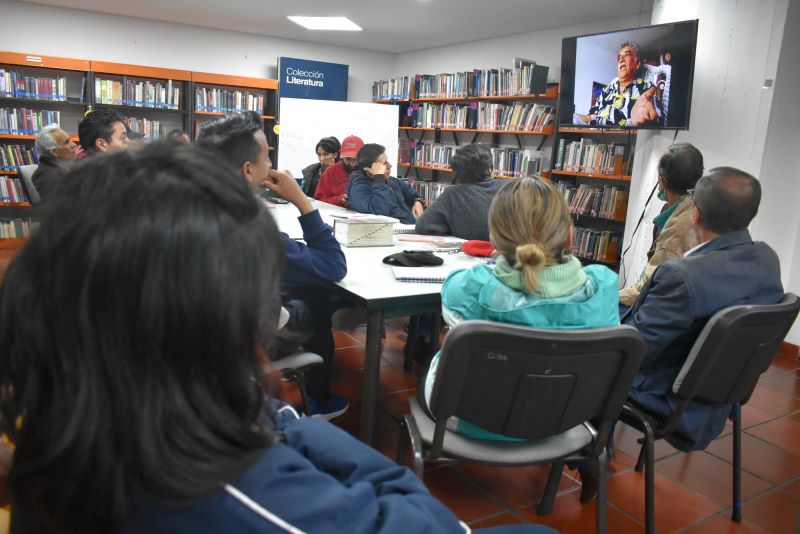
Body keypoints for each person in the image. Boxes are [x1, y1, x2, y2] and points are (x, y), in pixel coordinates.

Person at [0, 141, 557, 534]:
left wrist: (269, 417)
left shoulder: (56, 423)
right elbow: (428, 519)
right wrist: (277, 420)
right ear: (226, 310)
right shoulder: (234, 489)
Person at [423, 177, 619, 440]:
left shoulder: (475, 287)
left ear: (495, 239)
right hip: (563, 421)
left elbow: (449, 294)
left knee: (434, 362)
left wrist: (495, 267)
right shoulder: (604, 289)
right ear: (570, 237)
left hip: (471, 420)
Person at [196, 111, 349, 420]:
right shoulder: (250, 228)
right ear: (248, 169)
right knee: (321, 300)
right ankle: (318, 399)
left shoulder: (193, 212)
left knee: (304, 284)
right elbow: (335, 265)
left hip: (205, 338)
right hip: (251, 336)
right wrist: (302, 201)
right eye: (266, 155)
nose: (272, 164)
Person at [622, 167, 783, 451]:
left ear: (695, 215)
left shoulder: (682, 276)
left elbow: (635, 350)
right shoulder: (767, 260)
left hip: (665, 396)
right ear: (751, 214)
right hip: (723, 394)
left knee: (586, 362)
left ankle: (591, 455)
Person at [619, 142, 704, 308]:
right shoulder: (703, 207)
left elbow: (643, 291)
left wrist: (604, 296)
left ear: (662, 181)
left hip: (668, 308)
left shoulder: (677, 228)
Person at [415, 143, 503, 241]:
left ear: (457, 172)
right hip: (510, 253)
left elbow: (422, 227)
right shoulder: (509, 188)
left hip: (469, 253)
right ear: (489, 169)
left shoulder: (453, 194)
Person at [576, 41, 662, 127]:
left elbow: (655, 117)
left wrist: (635, 120)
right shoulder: (606, 91)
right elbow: (590, 118)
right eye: (619, 57)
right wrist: (573, 118)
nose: (621, 59)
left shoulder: (646, 88)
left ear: (637, 64)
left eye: (627, 54)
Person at [347, 143, 423, 224]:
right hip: (393, 232)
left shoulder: (390, 180)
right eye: (384, 164)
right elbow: (380, 210)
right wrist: (378, 178)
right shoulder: (359, 189)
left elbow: (410, 191)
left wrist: (417, 201)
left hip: (411, 226)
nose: (390, 165)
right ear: (370, 172)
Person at [30, 124, 77, 200]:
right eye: (67, 142)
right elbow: (63, 209)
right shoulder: (48, 178)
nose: (74, 144)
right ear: (54, 152)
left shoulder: (65, 167)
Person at [314, 134, 363, 206]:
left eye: (355, 159)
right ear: (341, 155)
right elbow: (318, 201)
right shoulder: (331, 171)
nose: (352, 163)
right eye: (348, 159)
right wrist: (339, 199)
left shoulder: (370, 172)